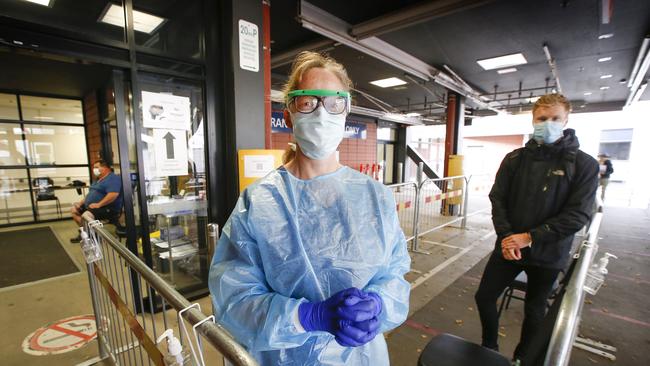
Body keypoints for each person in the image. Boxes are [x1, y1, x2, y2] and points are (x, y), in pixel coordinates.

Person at [208, 51, 410, 365]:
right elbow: (234, 300)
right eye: (308, 102)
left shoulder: (376, 198)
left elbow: (395, 277)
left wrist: (378, 306)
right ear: (288, 114)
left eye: (334, 103)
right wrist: (308, 316)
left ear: (345, 113)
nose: (321, 113)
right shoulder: (258, 203)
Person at [474, 93, 598, 363]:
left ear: (566, 120)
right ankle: (489, 347)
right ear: (533, 120)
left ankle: (523, 358)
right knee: (484, 297)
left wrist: (530, 237)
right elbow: (498, 199)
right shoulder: (515, 159)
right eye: (542, 118)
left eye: (555, 119)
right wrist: (507, 237)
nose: (548, 123)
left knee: (535, 309)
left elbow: (578, 214)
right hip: (509, 248)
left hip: (548, 253)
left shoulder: (584, 165)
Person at [70, 159, 123, 242]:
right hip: (93, 206)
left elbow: (113, 194)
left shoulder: (113, 179)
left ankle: (91, 234)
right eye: (94, 167)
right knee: (74, 210)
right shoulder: (98, 180)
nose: (94, 169)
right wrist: (80, 203)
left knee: (86, 215)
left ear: (105, 168)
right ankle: (87, 233)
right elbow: (90, 194)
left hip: (107, 208)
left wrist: (99, 204)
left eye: (96, 167)